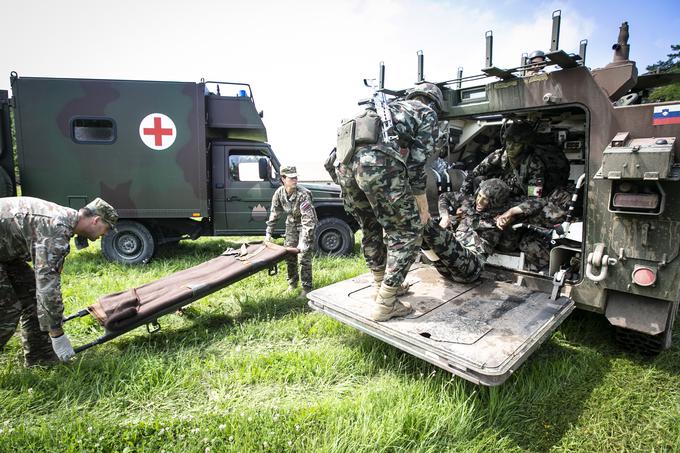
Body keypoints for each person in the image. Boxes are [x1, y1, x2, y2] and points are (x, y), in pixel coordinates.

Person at [335, 82, 441, 321]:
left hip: (344, 167)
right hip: (374, 165)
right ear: (433, 102)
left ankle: (379, 285)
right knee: (408, 231)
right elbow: (416, 164)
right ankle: (386, 302)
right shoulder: (425, 112)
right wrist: (422, 208)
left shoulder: (387, 109)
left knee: (370, 225)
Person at [0, 197, 118, 366]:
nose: (105, 234)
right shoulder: (56, 229)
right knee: (7, 311)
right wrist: (57, 334)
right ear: (96, 220)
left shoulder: (64, 220)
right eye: (106, 228)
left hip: (5, 253)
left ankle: (41, 357)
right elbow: (47, 286)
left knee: (32, 296)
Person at [423, 179, 511, 282]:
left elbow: (533, 205)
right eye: (480, 196)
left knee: (427, 225)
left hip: (470, 267)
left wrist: (512, 212)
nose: (480, 202)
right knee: (420, 229)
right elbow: (444, 196)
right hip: (445, 267)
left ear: (496, 202)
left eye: (486, 199)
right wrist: (445, 216)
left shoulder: (502, 215)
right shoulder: (468, 201)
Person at [265, 166, 318, 297]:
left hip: (306, 226)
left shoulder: (303, 194)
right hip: (291, 225)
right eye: (291, 178)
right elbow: (274, 213)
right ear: (283, 179)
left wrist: (303, 241)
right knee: (289, 255)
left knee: (304, 256)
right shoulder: (279, 193)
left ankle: (307, 288)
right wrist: (268, 233)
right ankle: (292, 283)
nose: (295, 180)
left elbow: (308, 221)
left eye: (296, 177)